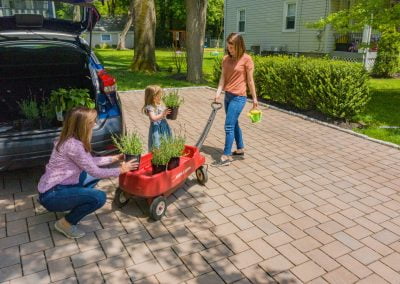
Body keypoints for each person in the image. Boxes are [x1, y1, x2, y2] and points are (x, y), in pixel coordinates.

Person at [37, 107, 138, 239]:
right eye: (92, 122)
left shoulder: (70, 139)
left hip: (54, 188)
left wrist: (114, 158)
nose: (94, 125)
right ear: (83, 126)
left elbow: (89, 161)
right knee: (99, 197)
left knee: (90, 177)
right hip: (52, 195)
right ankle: (66, 223)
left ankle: (73, 200)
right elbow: (95, 171)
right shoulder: (73, 146)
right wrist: (121, 170)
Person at [213, 33, 258, 166]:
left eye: (232, 48)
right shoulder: (226, 59)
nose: (230, 50)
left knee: (228, 126)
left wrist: (254, 99)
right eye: (228, 47)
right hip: (228, 96)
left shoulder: (247, 59)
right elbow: (223, 78)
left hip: (239, 98)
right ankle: (240, 149)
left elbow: (250, 80)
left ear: (239, 46)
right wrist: (218, 93)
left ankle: (226, 156)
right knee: (234, 123)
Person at [142, 85, 172, 151]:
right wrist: (162, 114)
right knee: (157, 144)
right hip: (156, 129)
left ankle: (165, 153)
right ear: (153, 97)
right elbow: (153, 118)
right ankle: (157, 156)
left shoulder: (159, 104)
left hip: (164, 126)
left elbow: (163, 114)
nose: (160, 96)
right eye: (159, 95)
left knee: (166, 141)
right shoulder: (150, 107)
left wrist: (167, 112)